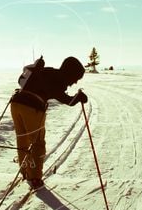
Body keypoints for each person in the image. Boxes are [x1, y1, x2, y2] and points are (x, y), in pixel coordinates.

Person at [10, 56, 88, 189]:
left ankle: (24, 170)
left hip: (16, 103)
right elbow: (66, 100)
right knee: (37, 143)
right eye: (76, 78)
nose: (74, 82)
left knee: (22, 138)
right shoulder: (59, 79)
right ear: (70, 73)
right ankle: (34, 178)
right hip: (32, 108)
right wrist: (79, 98)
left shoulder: (47, 71)